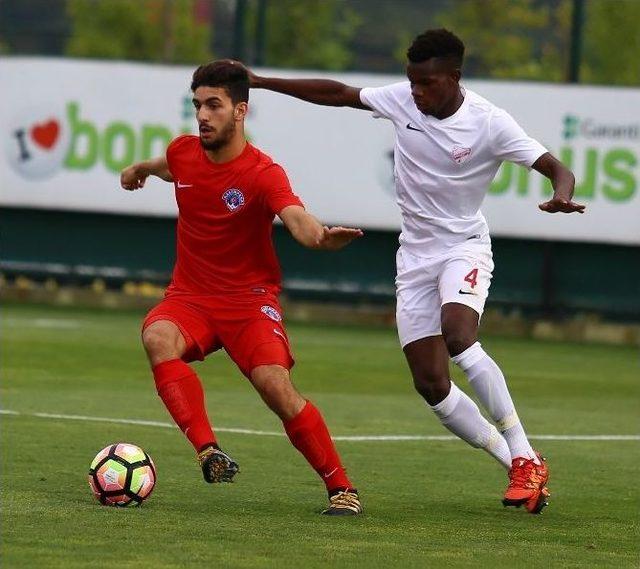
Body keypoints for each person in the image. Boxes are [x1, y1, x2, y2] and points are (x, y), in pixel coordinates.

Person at [245, 28, 585, 514]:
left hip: (464, 248)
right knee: (430, 383)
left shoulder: (490, 123)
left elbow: (555, 166)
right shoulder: (404, 100)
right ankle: (516, 461)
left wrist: (562, 194)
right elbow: (336, 94)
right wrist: (259, 80)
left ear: (454, 77)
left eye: (426, 84)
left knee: (458, 334)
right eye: (412, 82)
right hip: (414, 258)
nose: (416, 93)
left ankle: (528, 458)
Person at [120, 60, 364, 516]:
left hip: (248, 302)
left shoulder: (261, 172)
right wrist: (139, 168)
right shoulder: (183, 152)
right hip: (190, 298)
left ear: (240, 111)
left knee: (275, 385)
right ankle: (208, 451)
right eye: (197, 105)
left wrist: (319, 238)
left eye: (214, 105)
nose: (202, 115)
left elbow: (295, 216)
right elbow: (168, 165)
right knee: (156, 337)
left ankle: (341, 487)